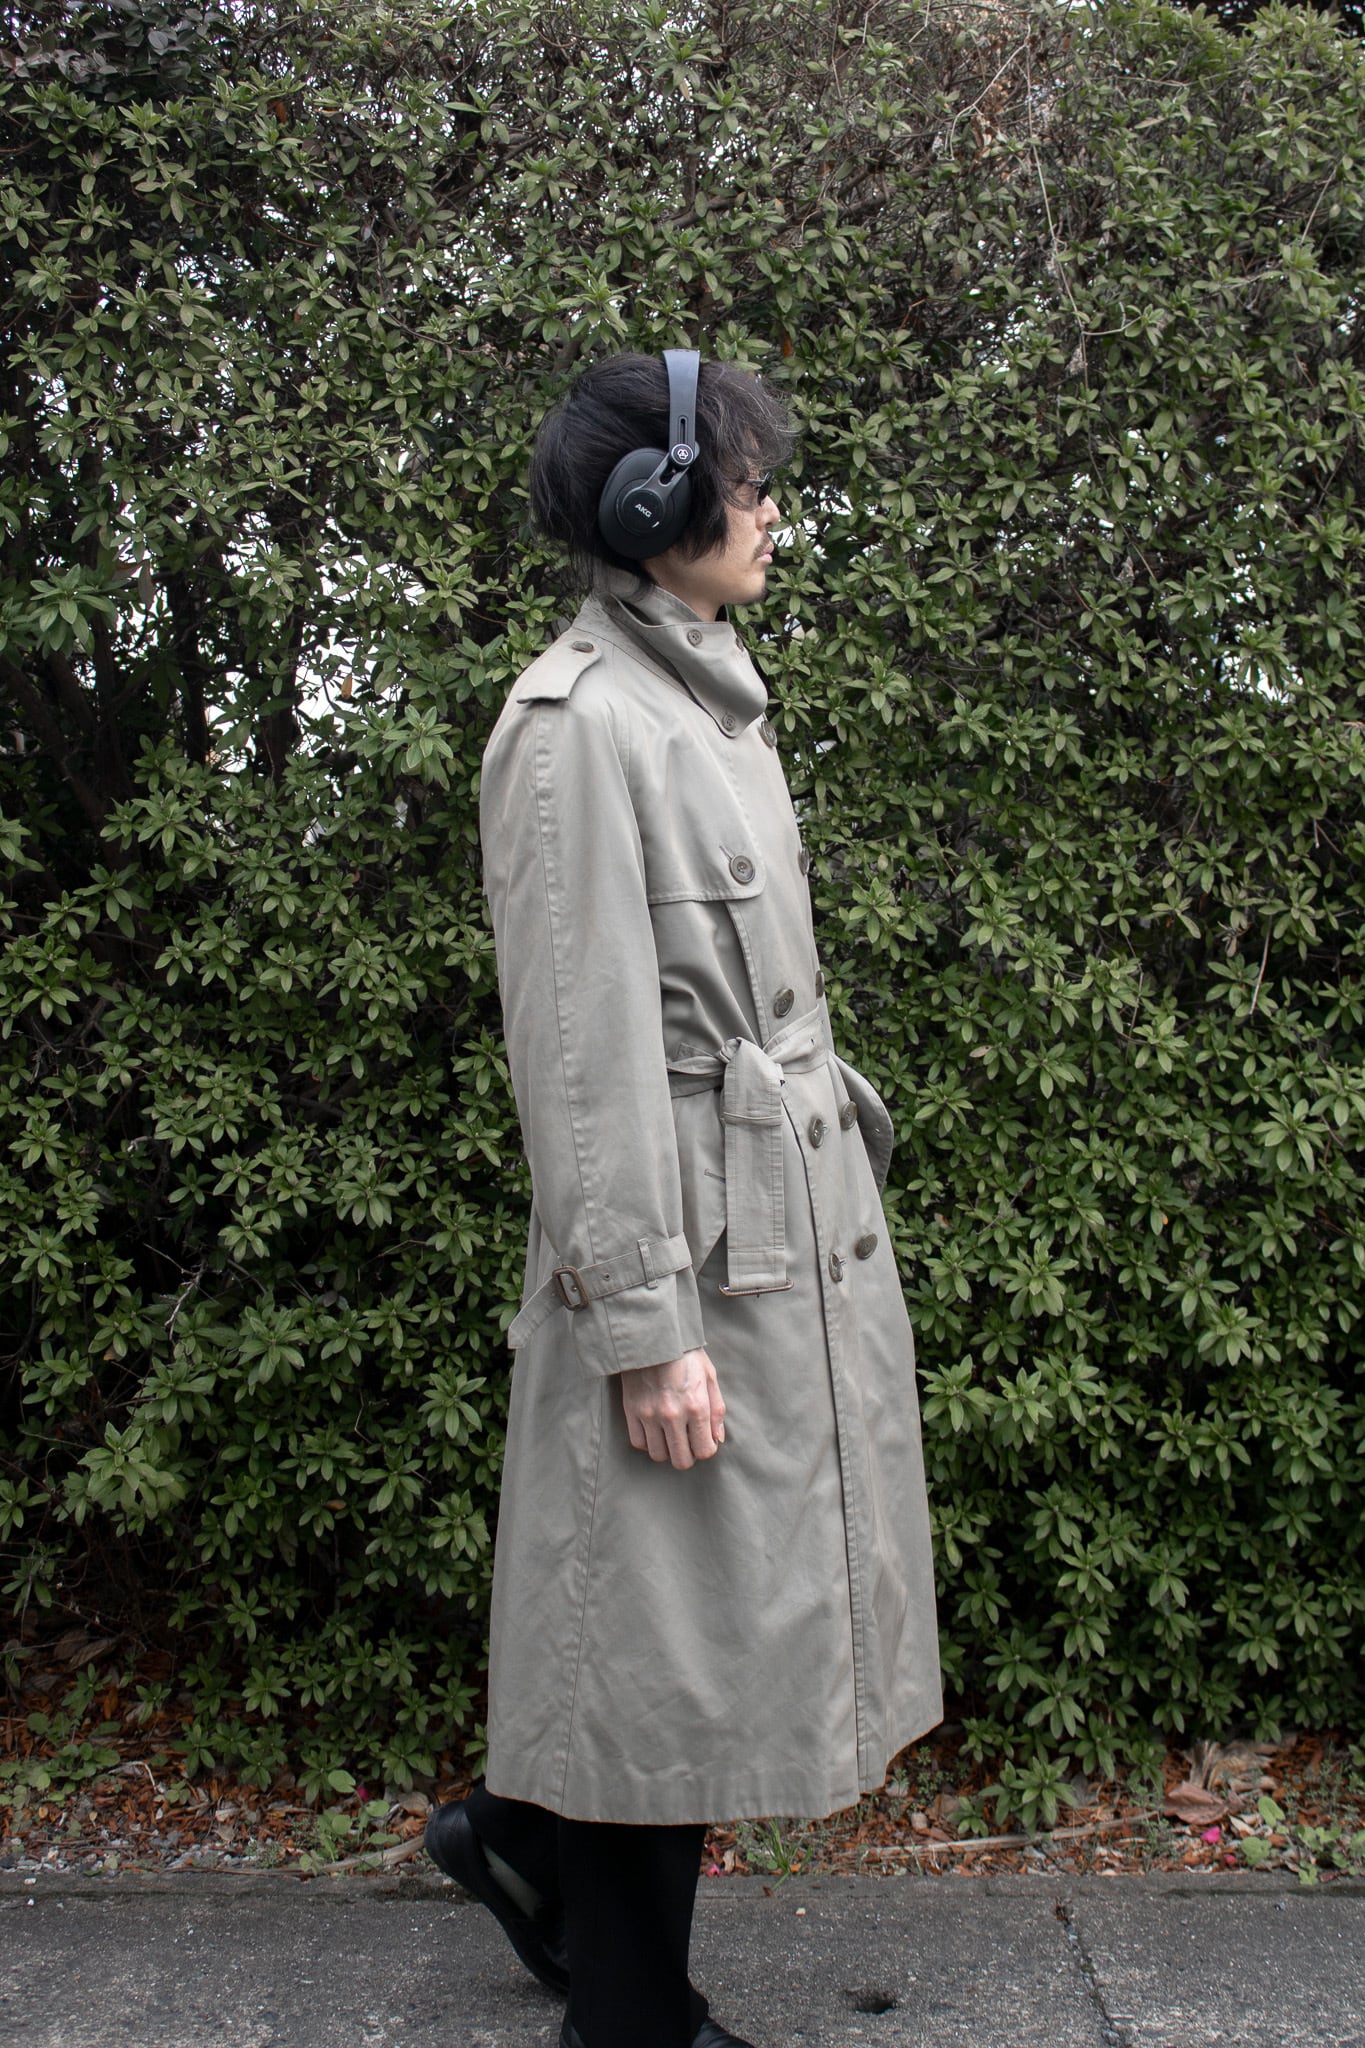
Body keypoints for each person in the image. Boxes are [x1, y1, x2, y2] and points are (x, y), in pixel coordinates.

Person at [425, 349, 942, 2048]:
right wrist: (644, 1323)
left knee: (699, 1608)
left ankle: (515, 1845)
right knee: (662, 1620)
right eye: (747, 480)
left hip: (773, 1218)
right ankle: (628, 2015)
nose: (772, 508)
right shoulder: (575, 730)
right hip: (680, 1238)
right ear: (656, 507)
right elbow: (580, 1060)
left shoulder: (703, 696)